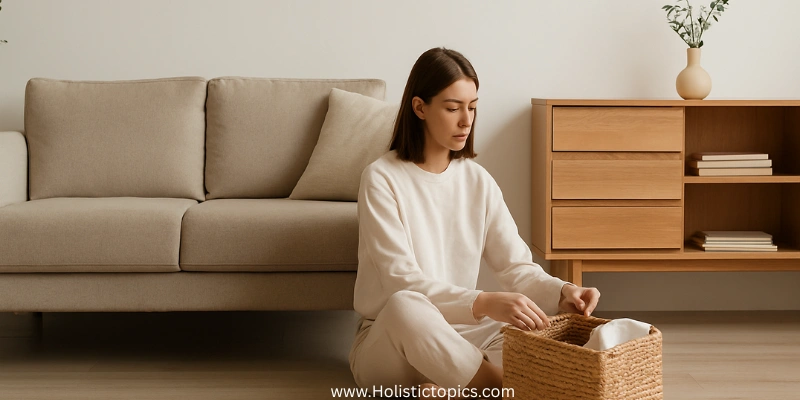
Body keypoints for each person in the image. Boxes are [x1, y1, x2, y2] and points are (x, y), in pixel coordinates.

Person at [348, 47, 601, 400]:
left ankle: (452, 389)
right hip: (394, 342)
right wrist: (482, 302)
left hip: (463, 338)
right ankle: (496, 389)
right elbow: (398, 281)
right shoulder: (381, 178)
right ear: (420, 108)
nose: (466, 120)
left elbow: (516, 267)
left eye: (472, 107)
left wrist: (563, 292)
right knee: (406, 305)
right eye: (452, 108)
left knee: (525, 328)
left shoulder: (478, 181)